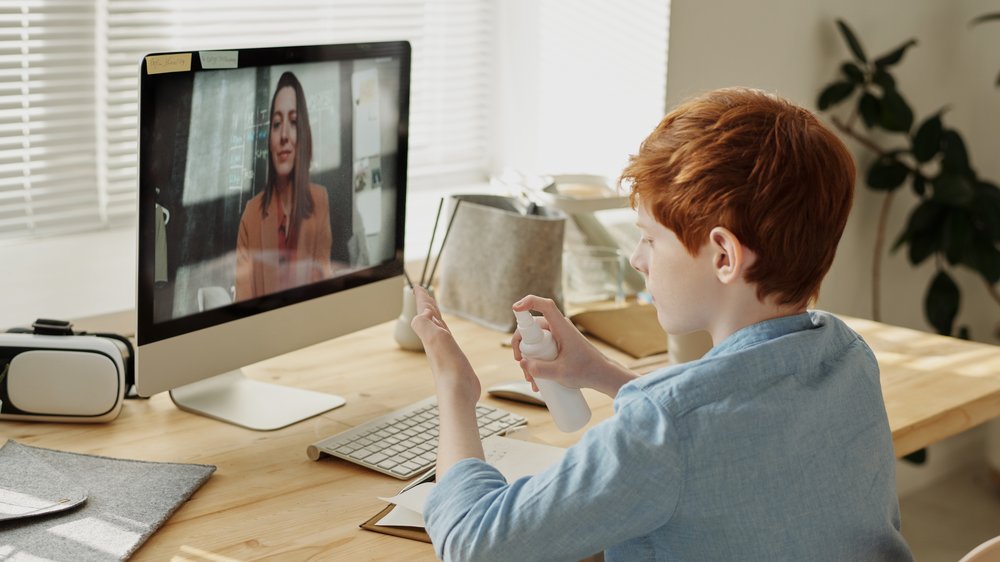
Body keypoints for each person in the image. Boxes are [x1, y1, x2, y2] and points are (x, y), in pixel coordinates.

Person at [409, 88, 914, 561]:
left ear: (723, 256)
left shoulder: (662, 431)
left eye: (651, 238)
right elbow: (723, 431)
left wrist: (455, 390)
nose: (636, 258)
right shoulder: (848, 356)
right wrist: (600, 372)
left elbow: (476, 542)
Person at [236, 71, 333, 301]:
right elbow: (242, 307)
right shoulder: (251, 214)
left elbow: (323, 293)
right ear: (269, 138)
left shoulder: (320, 201)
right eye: (277, 124)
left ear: (304, 134)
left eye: (293, 122)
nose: (284, 136)